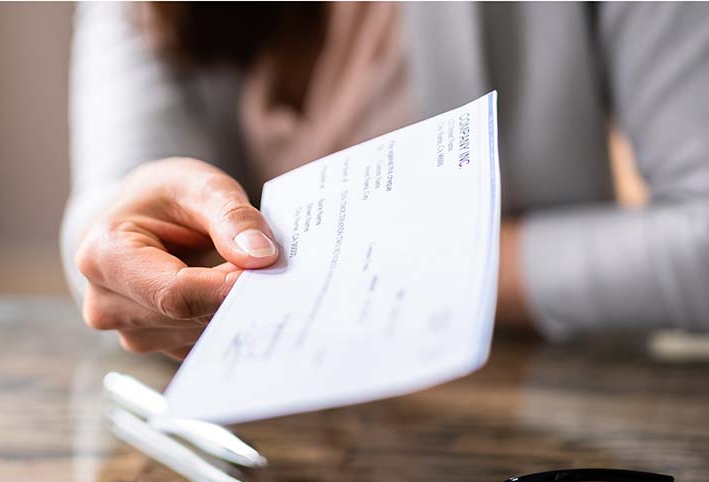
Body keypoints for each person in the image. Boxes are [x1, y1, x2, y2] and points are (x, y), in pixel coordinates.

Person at [61, 2, 709, 359]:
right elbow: (109, 205)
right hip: (267, 440)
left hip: (533, 414)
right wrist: (125, 246)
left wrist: (390, 269)